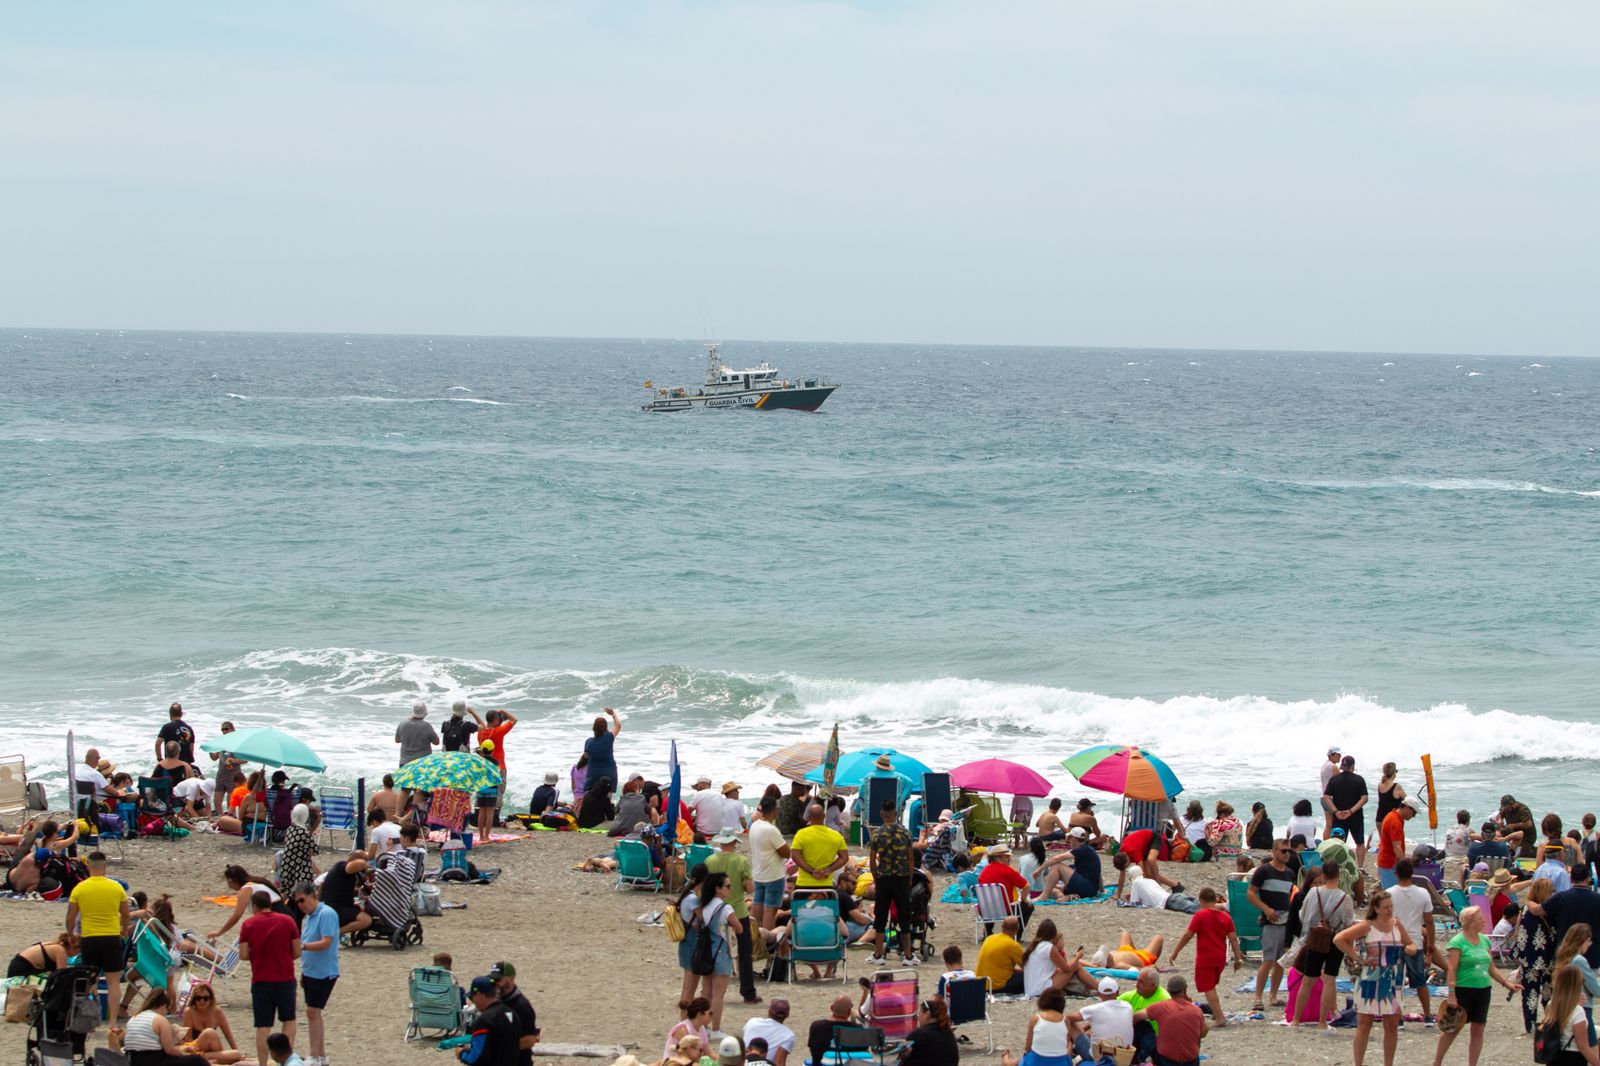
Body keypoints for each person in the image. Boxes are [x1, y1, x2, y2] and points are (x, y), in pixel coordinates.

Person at [1430, 905, 1522, 1066]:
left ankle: (1472, 1064)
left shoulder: (1485, 940)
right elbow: (1451, 969)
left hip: (1483, 989)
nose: (1483, 920)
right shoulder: (1457, 942)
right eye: (1480, 918)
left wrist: (1506, 983)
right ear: (1470, 922)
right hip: (1464, 989)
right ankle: (1437, 1062)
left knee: (1478, 1028)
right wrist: (1451, 993)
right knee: (1452, 1029)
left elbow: (1491, 967)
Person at [1332, 890, 1416, 1066]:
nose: (1389, 910)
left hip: (1392, 979)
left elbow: (1410, 943)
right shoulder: (1367, 926)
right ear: (1376, 908)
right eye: (1385, 907)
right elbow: (1339, 938)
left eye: (1391, 906)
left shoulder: (1397, 925)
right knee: (1364, 1024)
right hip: (1370, 978)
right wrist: (1356, 957)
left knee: (1392, 1025)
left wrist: (1411, 948)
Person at [238, 890, 301, 1066]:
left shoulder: (248, 924)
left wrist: (258, 955)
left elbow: (243, 954)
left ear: (255, 906)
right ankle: (285, 1060)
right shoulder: (287, 921)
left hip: (261, 980)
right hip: (284, 977)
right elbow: (297, 951)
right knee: (288, 1020)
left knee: (263, 1026)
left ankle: (263, 1063)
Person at [1288, 862, 1353, 1027]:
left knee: (1308, 980)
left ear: (1323, 875)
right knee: (1329, 981)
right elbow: (1348, 923)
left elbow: (1303, 915)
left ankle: (1296, 1019)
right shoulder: (1345, 898)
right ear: (1339, 875)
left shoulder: (1313, 892)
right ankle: (1323, 1021)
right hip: (1335, 940)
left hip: (1315, 938)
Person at [67, 851, 129, 1021]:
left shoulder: (80, 888)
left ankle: (90, 1020)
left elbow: (70, 917)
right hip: (110, 936)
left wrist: (71, 934)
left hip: (89, 937)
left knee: (90, 981)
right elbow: (125, 914)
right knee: (113, 982)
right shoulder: (116, 887)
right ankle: (113, 1022)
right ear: (105, 867)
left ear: (88, 866)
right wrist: (124, 929)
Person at [1167, 886, 1241, 1026]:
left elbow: (1188, 935)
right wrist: (1238, 958)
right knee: (1212, 985)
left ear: (1201, 900)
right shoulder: (1226, 917)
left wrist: (1175, 951)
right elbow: (1233, 939)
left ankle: (1219, 1017)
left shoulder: (1200, 915)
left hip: (1206, 957)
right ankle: (1216, 1012)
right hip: (1220, 958)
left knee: (1208, 987)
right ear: (1215, 899)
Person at [704, 827, 759, 1004]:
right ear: (734, 842)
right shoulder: (741, 860)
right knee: (744, 952)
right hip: (737, 909)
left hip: (715, 910)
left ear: (720, 842)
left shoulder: (710, 860)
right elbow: (750, 888)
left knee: (713, 948)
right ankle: (748, 992)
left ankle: (709, 990)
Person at [1245, 839, 1294, 1011]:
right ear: (1274, 851)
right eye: (1283, 851)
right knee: (1268, 960)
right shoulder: (1264, 871)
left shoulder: (1290, 873)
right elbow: (1250, 893)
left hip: (1286, 921)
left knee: (1281, 961)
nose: (1286, 854)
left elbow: (1287, 897)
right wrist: (1265, 909)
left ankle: (1273, 996)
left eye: (1288, 851)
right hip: (1270, 921)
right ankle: (1258, 997)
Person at [1388, 856, 1437, 1023]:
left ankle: (1399, 1016)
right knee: (1420, 982)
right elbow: (1429, 922)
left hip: (1395, 941)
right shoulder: (1422, 893)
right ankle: (1428, 1015)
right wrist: (1430, 948)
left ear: (1396, 873)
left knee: (1396, 981)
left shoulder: (1389, 894)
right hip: (1415, 941)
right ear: (1412, 873)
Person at [867, 798, 916, 965]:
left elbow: (872, 860)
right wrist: (909, 879)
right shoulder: (905, 833)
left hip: (884, 878)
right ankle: (908, 955)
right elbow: (911, 858)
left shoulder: (877, 834)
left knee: (880, 917)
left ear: (882, 814)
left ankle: (878, 954)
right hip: (901, 878)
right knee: (904, 917)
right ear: (896, 814)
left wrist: (875, 877)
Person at [695, 870, 743, 1030]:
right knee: (718, 995)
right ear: (718, 888)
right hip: (721, 950)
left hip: (706, 950)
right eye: (727, 886)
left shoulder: (705, 905)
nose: (730, 889)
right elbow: (739, 928)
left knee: (706, 992)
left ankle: (703, 1026)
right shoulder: (725, 908)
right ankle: (716, 1028)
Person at [117, 988, 211, 1066]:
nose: (166, 1012)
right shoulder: (159, 1020)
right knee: (198, 1061)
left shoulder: (134, 1018)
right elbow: (169, 1050)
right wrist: (185, 1055)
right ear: (163, 1006)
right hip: (151, 1059)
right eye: (167, 1009)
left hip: (132, 1060)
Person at [1131, 974, 1205, 1066]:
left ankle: (1132, 1058)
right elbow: (1203, 1033)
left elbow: (1136, 1017)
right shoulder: (1196, 1010)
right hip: (1191, 1062)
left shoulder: (1161, 1006)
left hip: (1166, 1061)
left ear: (1168, 991)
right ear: (1185, 990)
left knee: (1141, 1025)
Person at [1540, 965, 1600, 1066]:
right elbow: (1583, 1047)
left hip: (1554, 1056)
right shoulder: (1578, 1012)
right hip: (1573, 1057)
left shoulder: (1552, 1004)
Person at [1064, 977, 1134, 1061]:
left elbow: (1066, 1018)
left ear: (1098, 994)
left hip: (1098, 1059)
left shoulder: (1095, 1009)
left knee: (1072, 1024)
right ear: (1118, 992)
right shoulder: (1128, 1006)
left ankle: (1068, 1048)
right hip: (1124, 1058)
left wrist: (1069, 1040)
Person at [997, 986, 1071, 1066]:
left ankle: (1007, 1061)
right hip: (1060, 1062)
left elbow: (1028, 1047)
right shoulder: (1066, 1021)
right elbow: (1066, 1045)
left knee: (1026, 1057)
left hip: (1036, 1062)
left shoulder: (1036, 1018)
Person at [749, 796, 791, 935]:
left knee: (757, 906)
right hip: (773, 875)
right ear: (773, 811)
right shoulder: (771, 830)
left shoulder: (754, 825)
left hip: (759, 873)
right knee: (770, 910)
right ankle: (768, 938)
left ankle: (754, 936)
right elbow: (786, 852)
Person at [460, 974, 521, 1066]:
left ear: (480, 995)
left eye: (472, 998)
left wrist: (461, 1054)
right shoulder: (512, 1014)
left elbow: (477, 1058)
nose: (473, 1002)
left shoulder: (484, 1021)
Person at [1020, 919, 1090, 996]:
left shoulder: (1032, 947)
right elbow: (1067, 969)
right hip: (1041, 990)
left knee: (1065, 968)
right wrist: (1077, 957)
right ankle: (1099, 987)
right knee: (1076, 965)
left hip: (1029, 990)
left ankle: (1096, 987)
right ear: (1053, 935)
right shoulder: (1049, 947)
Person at [490, 961, 540, 1066]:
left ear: (512, 978)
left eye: (498, 980)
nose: (495, 984)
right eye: (492, 980)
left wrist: (500, 1047)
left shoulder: (522, 1006)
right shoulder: (494, 1000)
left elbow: (530, 1040)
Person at [1323, 755, 1369, 866]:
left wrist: (1336, 811)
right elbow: (1364, 798)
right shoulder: (1359, 779)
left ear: (1342, 766)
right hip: (1355, 816)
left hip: (1339, 816)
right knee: (1360, 842)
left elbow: (1326, 797)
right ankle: (1360, 867)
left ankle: (1336, 866)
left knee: (1337, 842)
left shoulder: (1335, 779)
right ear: (1352, 766)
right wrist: (1351, 811)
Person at [977, 843, 1033, 934]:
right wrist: (1024, 899)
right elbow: (1026, 886)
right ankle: (1016, 935)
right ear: (998, 857)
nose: (1009, 858)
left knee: (990, 902)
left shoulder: (984, 872)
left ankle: (988, 932)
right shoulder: (1008, 870)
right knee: (1028, 907)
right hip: (1005, 910)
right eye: (1007, 856)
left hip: (984, 911)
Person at [1118, 967, 1170, 1064]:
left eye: (1141, 983)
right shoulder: (1136, 994)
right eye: (1137, 981)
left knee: (1140, 1024)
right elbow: (1111, 1003)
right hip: (1141, 1040)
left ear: (1153, 985)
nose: (1137, 985)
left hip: (1159, 1042)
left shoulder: (1164, 999)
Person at [793, 803, 849, 890]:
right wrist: (829, 869)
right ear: (824, 816)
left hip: (804, 884)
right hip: (826, 883)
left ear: (809, 818)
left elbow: (795, 856)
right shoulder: (836, 835)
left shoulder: (801, 834)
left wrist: (811, 871)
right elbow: (844, 857)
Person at [315, 852, 373, 936]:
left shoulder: (343, 872)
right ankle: (337, 932)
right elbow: (361, 863)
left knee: (366, 909)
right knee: (366, 920)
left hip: (335, 905)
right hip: (337, 908)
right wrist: (369, 866)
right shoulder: (343, 867)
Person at [1376, 795, 1422, 889]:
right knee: (1392, 893)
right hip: (1389, 863)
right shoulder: (1395, 822)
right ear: (1407, 808)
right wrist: (1405, 866)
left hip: (1387, 861)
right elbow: (1396, 846)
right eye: (1413, 813)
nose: (1413, 816)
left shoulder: (1393, 815)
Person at [899, 999, 958, 1066]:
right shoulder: (949, 1034)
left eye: (920, 1013)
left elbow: (902, 1058)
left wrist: (903, 1053)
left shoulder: (918, 1035)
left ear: (927, 1014)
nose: (919, 1017)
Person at [977, 915, 1026, 994]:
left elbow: (995, 963)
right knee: (1026, 977)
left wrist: (1012, 970)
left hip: (981, 984)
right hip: (996, 987)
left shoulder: (989, 938)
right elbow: (1028, 967)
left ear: (1002, 927)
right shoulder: (1012, 945)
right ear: (1017, 930)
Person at [806, 995, 859, 1066]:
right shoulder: (857, 1029)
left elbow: (812, 1050)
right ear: (849, 1012)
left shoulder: (816, 1026)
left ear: (831, 1008)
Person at [743, 1000, 794, 1066]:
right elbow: (779, 1062)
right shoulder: (788, 1035)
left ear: (769, 1011)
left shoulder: (752, 1022)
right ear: (787, 1015)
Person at [6, 931, 77, 978]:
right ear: (73, 947)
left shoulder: (54, 945)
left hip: (17, 966)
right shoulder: (60, 951)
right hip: (21, 971)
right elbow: (61, 975)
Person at [664, 998, 713, 1063]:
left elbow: (708, 1053)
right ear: (699, 1014)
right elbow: (686, 1056)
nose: (712, 1016)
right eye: (710, 1013)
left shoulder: (701, 1028)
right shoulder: (683, 1030)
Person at [396, 702, 440, 766]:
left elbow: (397, 740)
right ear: (424, 714)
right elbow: (436, 742)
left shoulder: (403, 723)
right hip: (421, 763)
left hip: (404, 762)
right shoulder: (426, 726)